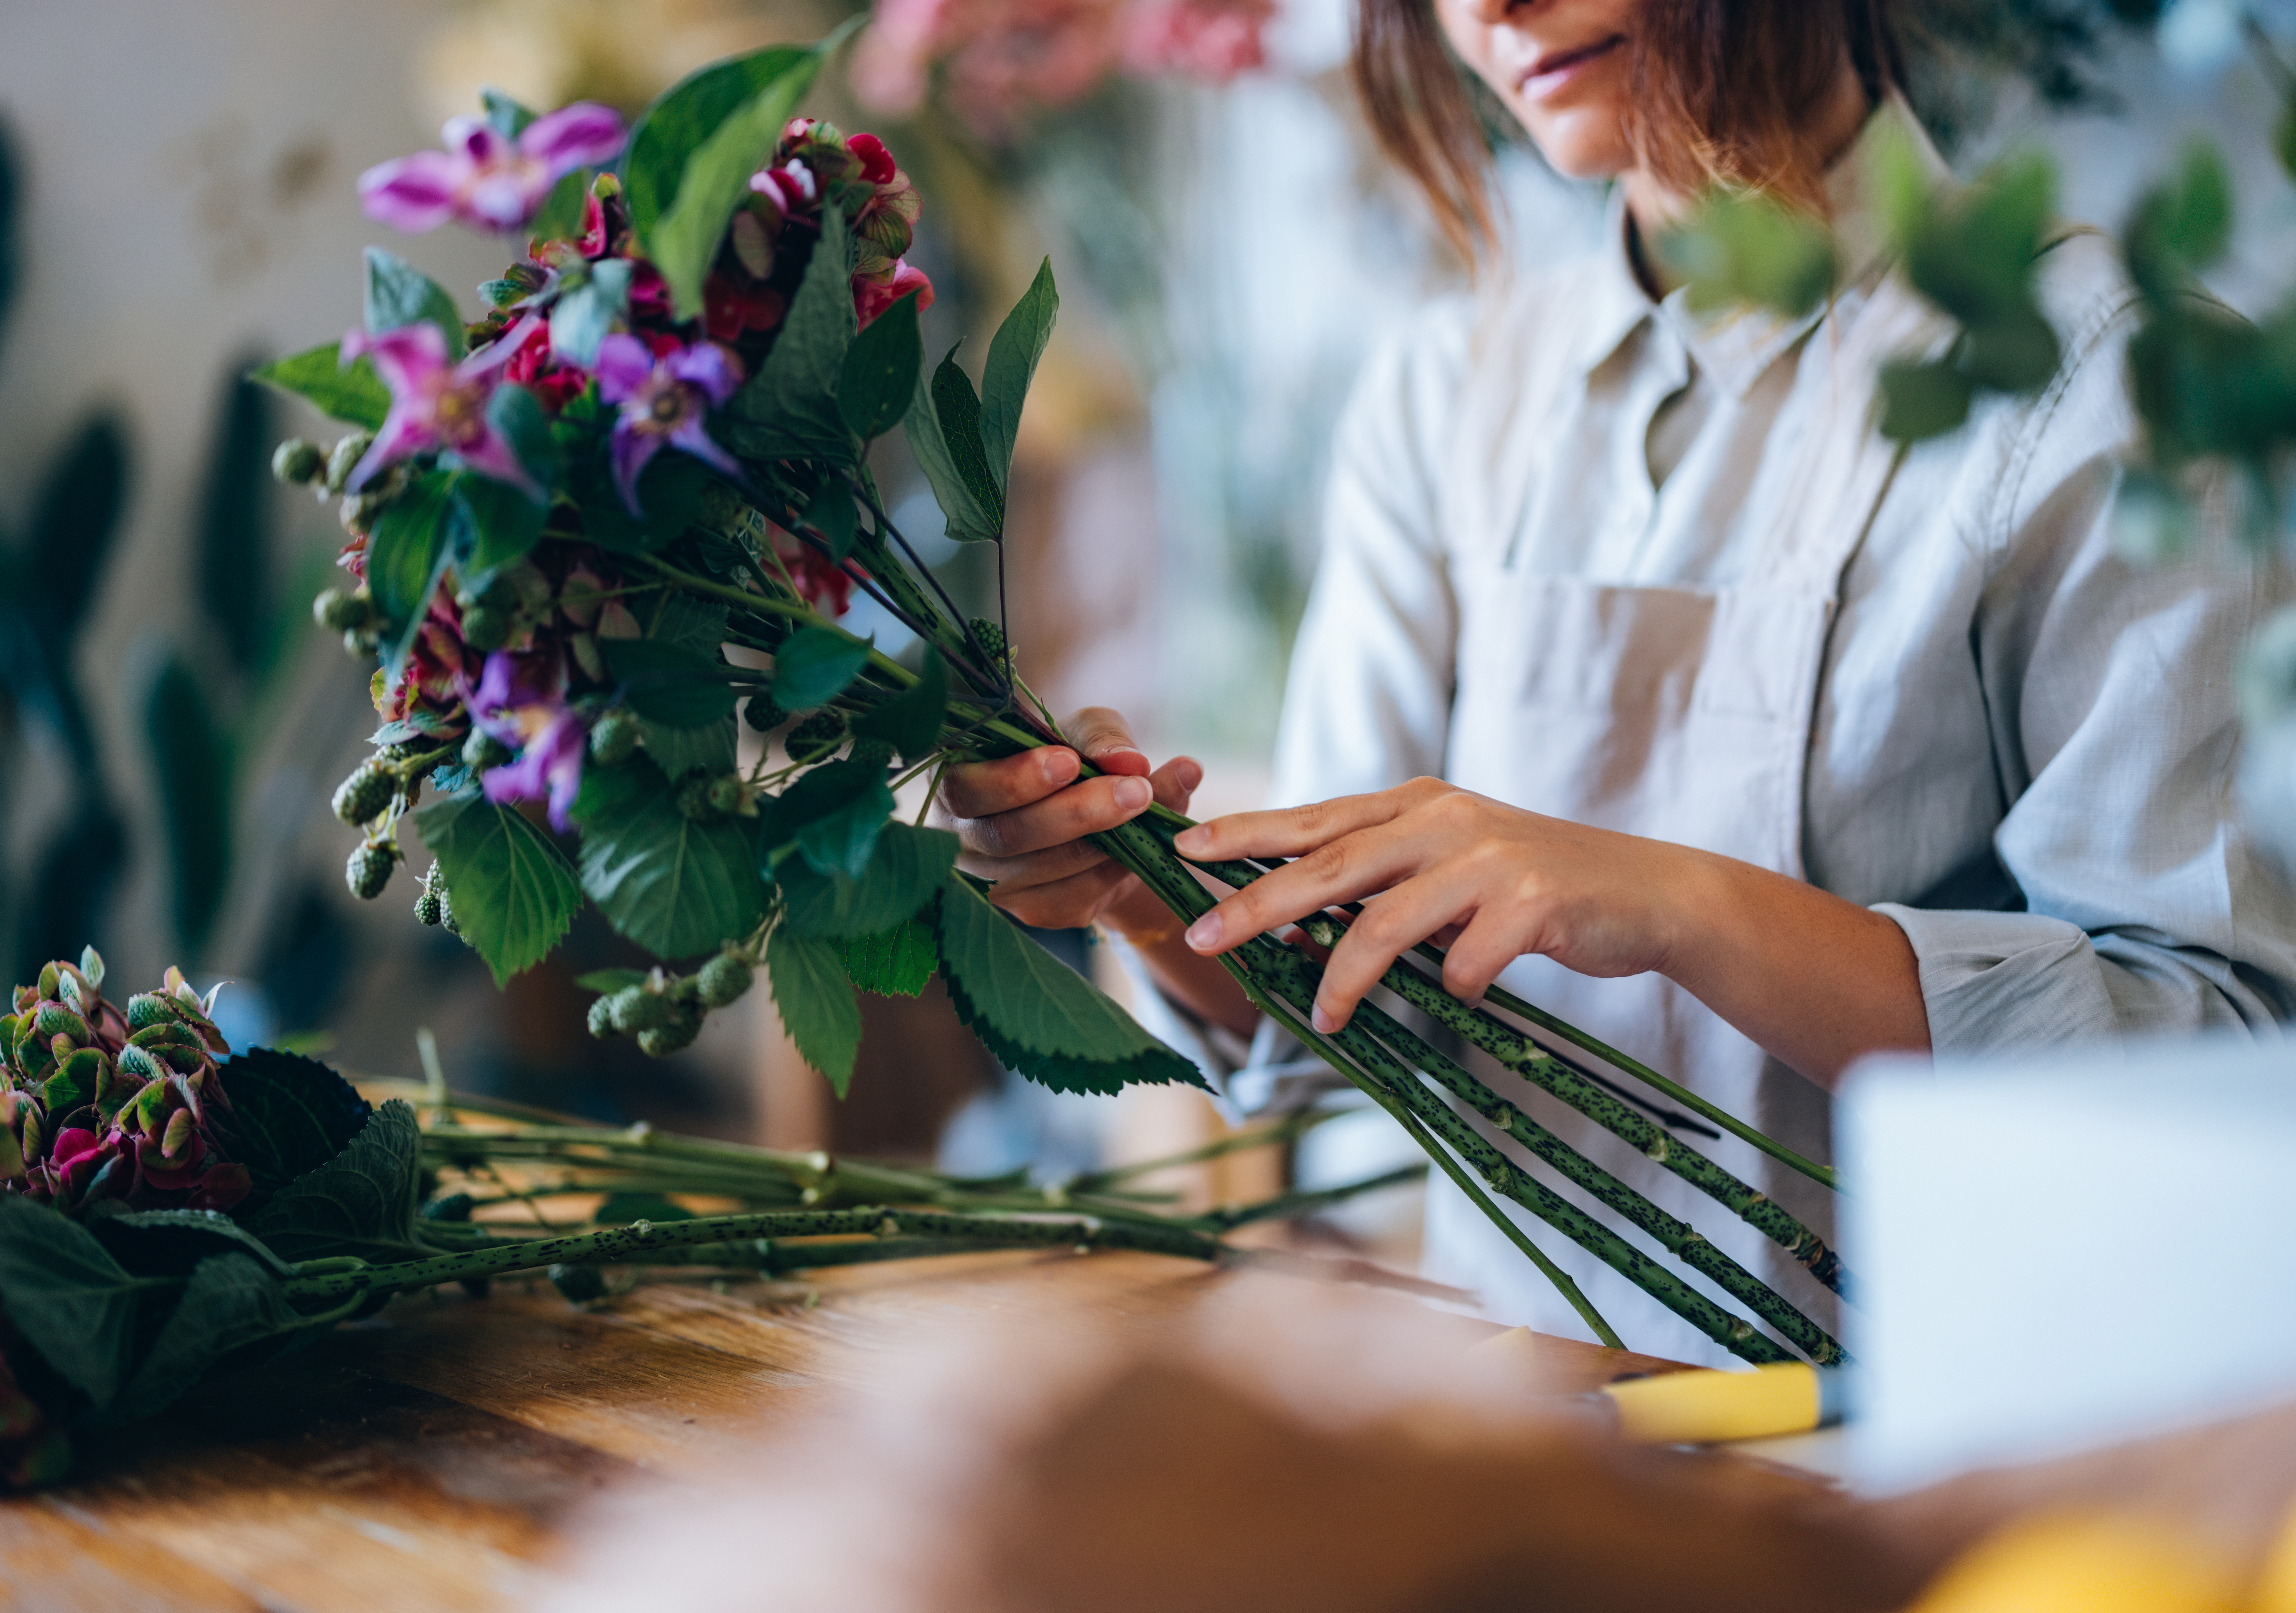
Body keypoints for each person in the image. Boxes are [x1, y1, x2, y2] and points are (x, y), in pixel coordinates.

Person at [935, 0, 2296, 1362]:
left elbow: (2211, 1060)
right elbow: (1339, 996)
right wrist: (1153, 893)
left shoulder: (2113, 388)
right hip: (1537, 1444)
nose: (1489, 11)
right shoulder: (1445, 393)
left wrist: (1679, 905)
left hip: (1950, 1457)